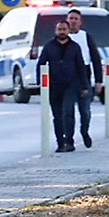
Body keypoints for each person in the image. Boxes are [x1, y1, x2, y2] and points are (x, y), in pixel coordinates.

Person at [34, 11, 97, 151]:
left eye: (64, 29)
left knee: (68, 112)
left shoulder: (75, 47)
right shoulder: (49, 46)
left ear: (68, 31)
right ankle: (60, 142)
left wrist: (85, 86)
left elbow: (81, 67)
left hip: (71, 85)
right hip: (54, 85)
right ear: (55, 31)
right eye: (59, 29)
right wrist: (40, 82)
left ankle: (69, 140)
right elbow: (41, 64)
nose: (62, 32)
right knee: (57, 116)